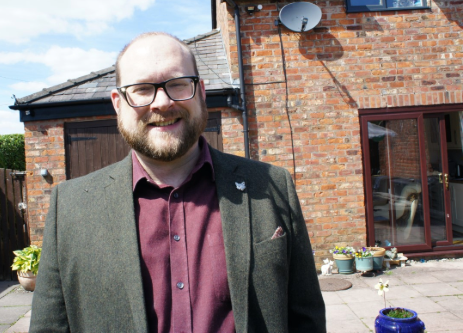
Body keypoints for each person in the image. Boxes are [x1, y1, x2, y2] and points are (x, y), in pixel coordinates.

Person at [30, 32, 326, 333]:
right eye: (142, 89)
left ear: (200, 92)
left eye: (177, 84)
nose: (162, 102)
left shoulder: (272, 186)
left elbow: (307, 318)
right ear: (118, 104)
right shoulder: (71, 206)